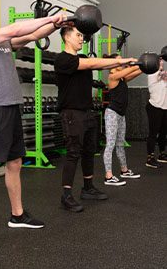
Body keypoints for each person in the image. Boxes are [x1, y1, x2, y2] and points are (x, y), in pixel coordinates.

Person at [0, 0, 67, 255]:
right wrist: (49, 17)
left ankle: (17, 215)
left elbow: (29, 36)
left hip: (11, 107)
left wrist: (57, 24)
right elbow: (17, 28)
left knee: (15, 162)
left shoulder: (3, 42)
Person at [55, 26, 137, 212]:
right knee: (73, 152)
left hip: (87, 111)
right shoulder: (63, 60)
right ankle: (66, 195)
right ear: (66, 37)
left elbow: (101, 64)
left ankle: (88, 187)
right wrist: (124, 60)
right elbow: (93, 65)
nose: (81, 38)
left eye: (82, 35)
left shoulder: (83, 58)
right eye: (77, 35)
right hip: (71, 112)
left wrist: (133, 65)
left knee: (89, 150)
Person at [102, 61, 142, 185]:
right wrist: (139, 64)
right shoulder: (113, 77)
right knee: (110, 144)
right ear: (113, 65)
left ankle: (124, 170)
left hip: (121, 115)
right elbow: (131, 70)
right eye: (119, 61)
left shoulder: (123, 78)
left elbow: (136, 72)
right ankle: (108, 176)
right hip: (112, 114)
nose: (122, 63)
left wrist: (148, 65)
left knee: (120, 144)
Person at [145, 58, 167, 168]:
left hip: (164, 108)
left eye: (162, 61)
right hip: (154, 107)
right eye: (159, 62)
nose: (161, 63)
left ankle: (162, 154)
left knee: (163, 133)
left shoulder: (163, 75)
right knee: (153, 133)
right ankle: (150, 158)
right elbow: (161, 74)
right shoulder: (152, 74)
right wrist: (162, 71)